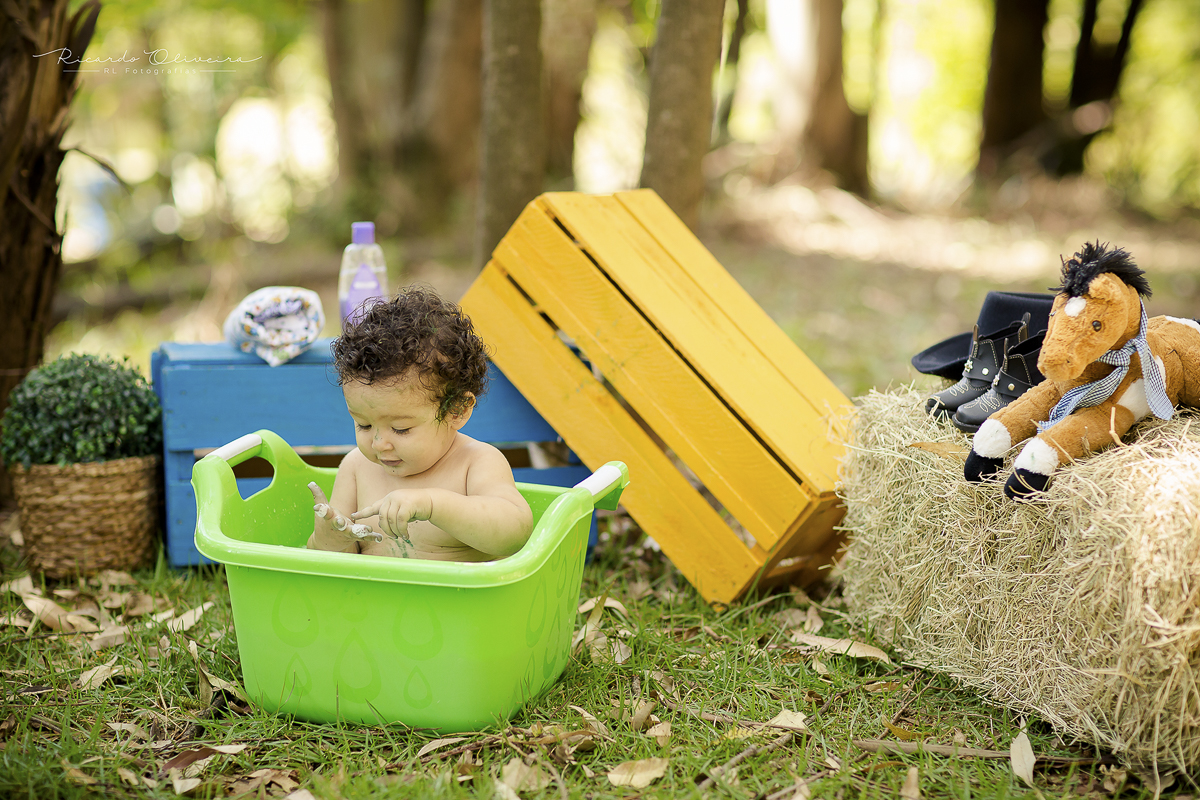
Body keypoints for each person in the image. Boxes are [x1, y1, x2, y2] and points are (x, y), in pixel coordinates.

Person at [306, 287, 533, 560]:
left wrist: (433, 504)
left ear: (456, 410)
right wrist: (328, 539)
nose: (378, 443)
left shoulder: (475, 463)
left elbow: (514, 534)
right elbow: (333, 564)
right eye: (363, 425)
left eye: (401, 429)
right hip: (370, 601)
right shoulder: (356, 468)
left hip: (457, 601)